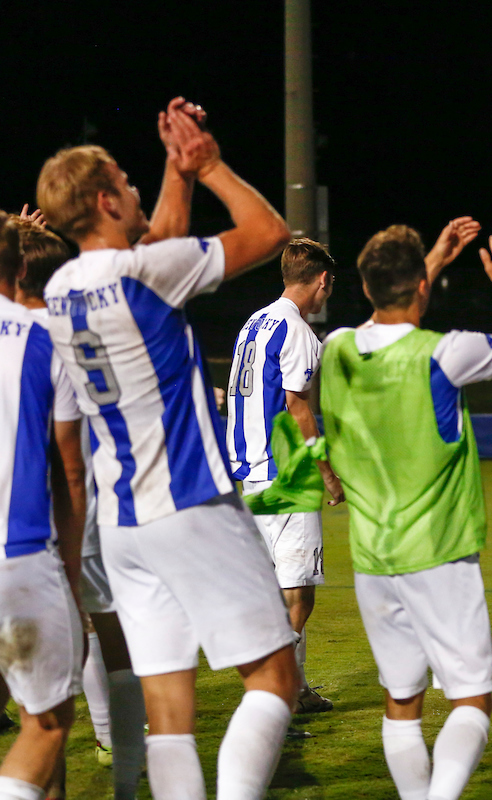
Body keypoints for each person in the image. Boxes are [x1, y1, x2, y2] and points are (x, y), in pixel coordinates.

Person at [36, 99, 300, 799]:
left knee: (170, 716)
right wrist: (206, 163)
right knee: (275, 678)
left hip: (122, 520)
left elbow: (159, 237)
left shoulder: (60, 287)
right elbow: (268, 232)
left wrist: (172, 173)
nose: (133, 192)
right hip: (190, 499)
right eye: (124, 182)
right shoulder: (145, 273)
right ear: (103, 199)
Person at [319, 227, 492, 800]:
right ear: (424, 286)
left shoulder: (337, 349)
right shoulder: (448, 353)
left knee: (401, 700)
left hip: (373, 555)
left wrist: (428, 263)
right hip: (439, 552)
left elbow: (387, 313)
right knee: (472, 699)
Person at [13, 218, 148, 795]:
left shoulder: (36, 333)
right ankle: (121, 767)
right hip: (72, 513)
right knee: (96, 635)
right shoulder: (65, 332)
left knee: (46, 685)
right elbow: (69, 462)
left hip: (42, 517)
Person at [227, 237, 346, 718]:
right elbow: (299, 409)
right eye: (330, 285)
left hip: (251, 472)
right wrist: (327, 472)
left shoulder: (254, 321)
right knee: (297, 595)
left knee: (276, 591)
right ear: (321, 279)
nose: (328, 294)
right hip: (286, 473)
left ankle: (288, 689)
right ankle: (277, 695)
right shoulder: (296, 329)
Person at [0, 210, 89, 800]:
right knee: (48, 723)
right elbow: (71, 469)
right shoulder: (43, 337)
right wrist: (74, 576)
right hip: (21, 556)